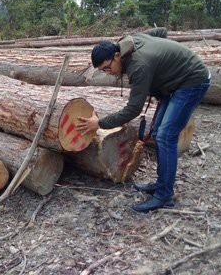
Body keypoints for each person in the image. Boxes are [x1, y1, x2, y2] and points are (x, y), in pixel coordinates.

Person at [76, 27, 211, 213]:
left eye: (108, 68)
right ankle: (161, 183)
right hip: (174, 84)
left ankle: (164, 195)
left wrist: (99, 123)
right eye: (103, 71)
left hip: (192, 81)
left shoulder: (138, 66)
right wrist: (164, 63)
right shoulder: (131, 42)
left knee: (165, 136)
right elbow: (161, 32)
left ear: (117, 55)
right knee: (157, 133)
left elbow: (133, 109)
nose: (109, 72)